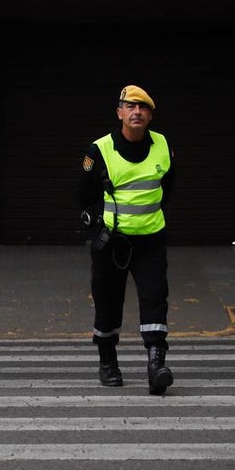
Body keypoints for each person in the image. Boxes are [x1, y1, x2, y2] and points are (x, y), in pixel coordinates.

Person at [78, 84, 176, 394]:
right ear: (120, 112)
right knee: (108, 302)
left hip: (150, 240)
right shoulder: (99, 150)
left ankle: (156, 363)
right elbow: (83, 194)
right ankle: (108, 362)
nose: (137, 112)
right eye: (130, 106)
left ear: (150, 115)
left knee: (155, 297)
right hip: (112, 243)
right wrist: (98, 230)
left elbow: (168, 188)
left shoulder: (163, 146)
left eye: (143, 107)